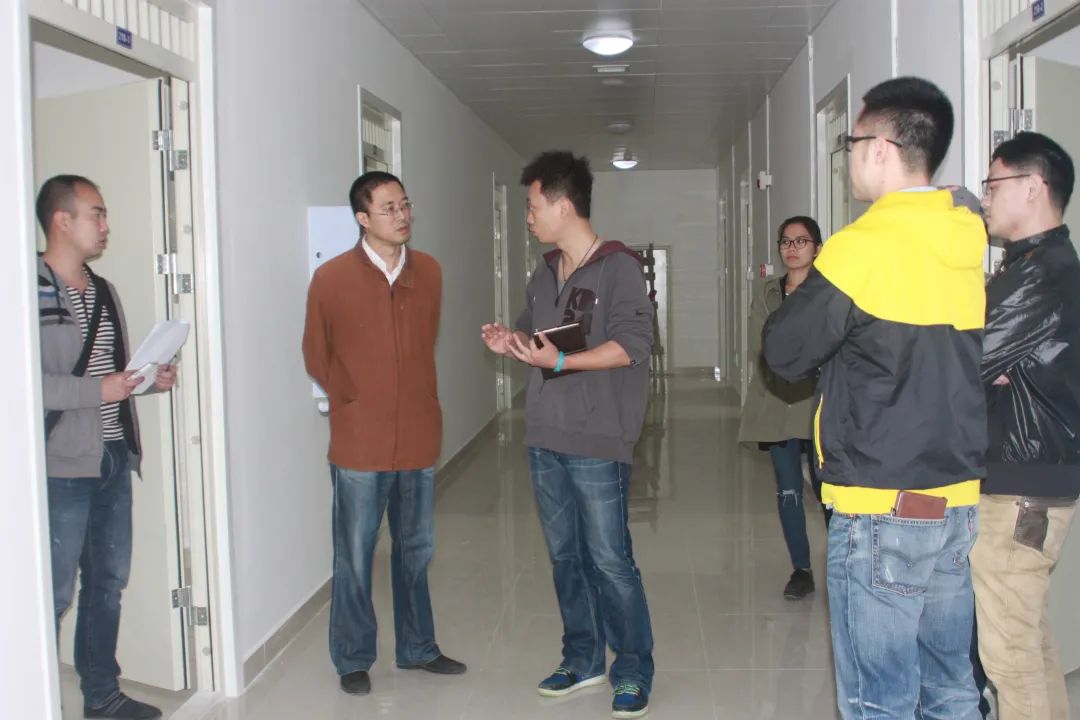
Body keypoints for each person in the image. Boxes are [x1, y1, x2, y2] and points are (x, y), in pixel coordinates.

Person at [761, 77, 988, 718]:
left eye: (851, 143)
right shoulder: (965, 238)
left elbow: (784, 352)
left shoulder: (863, 247)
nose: (849, 157)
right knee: (950, 688)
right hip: (955, 500)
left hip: (882, 503)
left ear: (881, 148)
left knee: (878, 701)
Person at [480, 151, 655, 719]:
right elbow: (538, 342)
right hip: (545, 436)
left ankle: (632, 668)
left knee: (609, 560)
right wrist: (511, 343)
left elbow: (632, 346)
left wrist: (560, 363)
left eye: (533, 207)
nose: (528, 217)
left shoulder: (619, 267)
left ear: (562, 205)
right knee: (564, 556)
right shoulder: (543, 272)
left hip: (598, 439)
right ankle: (582, 658)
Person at [302, 171, 465, 697]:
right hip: (359, 444)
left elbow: (424, 343)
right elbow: (315, 352)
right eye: (389, 208)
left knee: (415, 550)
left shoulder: (429, 272)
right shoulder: (331, 279)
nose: (402, 215)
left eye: (405, 205)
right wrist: (351, 400)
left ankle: (417, 647)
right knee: (354, 555)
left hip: (417, 437)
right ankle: (353, 657)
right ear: (362, 218)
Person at [37, 175, 177, 720]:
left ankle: (102, 696)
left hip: (114, 457)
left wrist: (149, 380)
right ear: (62, 220)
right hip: (60, 466)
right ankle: (33, 699)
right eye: (96, 213)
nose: (105, 225)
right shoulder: (26, 288)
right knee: (53, 593)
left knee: (107, 584)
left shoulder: (104, 290)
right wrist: (99, 390)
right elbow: (24, 382)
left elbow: (113, 375)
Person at [972, 131, 1079, 720]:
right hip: (1031, 475)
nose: (985, 197)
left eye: (994, 184)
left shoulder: (1040, 273)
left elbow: (966, 361)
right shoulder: (1037, 266)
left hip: (1022, 485)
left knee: (1009, 655)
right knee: (1028, 638)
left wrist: (987, 371)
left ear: (1033, 187)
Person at [737, 216, 829, 601]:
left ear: (817, 249)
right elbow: (761, 344)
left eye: (801, 241)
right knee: (788, 490)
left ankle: (843, 565)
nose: (792, 249)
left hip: (821, 402)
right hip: (776, 400)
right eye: (786, 242)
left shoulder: (829, 290)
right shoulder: (767, 292)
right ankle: (801, 570)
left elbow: (830, 343)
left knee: (828, 490)